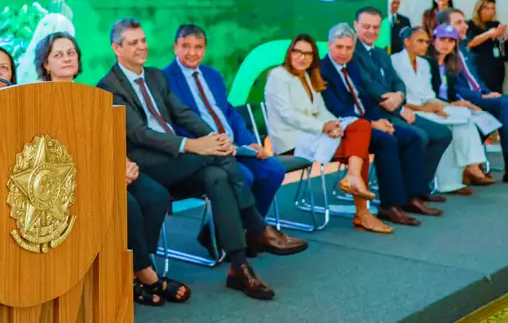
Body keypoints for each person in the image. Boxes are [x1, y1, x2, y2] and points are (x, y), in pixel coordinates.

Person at [96, 18, 305, 301]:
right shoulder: (108, 86)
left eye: (143, 40)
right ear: (116, 48)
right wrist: (195, 145)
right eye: (133, 43)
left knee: (218, 175)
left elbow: (183, 115)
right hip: (147, 163)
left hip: (178, 159)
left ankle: (239, 267)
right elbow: (140, 134)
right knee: (217, 160)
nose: (142, 47)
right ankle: (257, 227)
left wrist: (212, 137)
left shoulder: (156, 76)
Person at [32, 33, 188, 306]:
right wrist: (109, 173)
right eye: (58, 54)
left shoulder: (92, 95)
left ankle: (134, 270)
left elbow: (106, 140)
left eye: (71, 52)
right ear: (45, 64)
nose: (67, 58)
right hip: (70, 178)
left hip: (107, 167)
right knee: (126, 205)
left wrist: (122, 163)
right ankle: (146, 276)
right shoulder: (39, 100)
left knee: (155, 196)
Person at [163, 25, 297, 237]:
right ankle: (222, 235)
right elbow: (174, 124)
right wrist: (213, 145)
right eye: (185, 46)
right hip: (205, 152)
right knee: (244, 177)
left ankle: (250, 232)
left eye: (198, 47)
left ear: (205, 49)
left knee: (273, 170)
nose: (192, 53)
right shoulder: (164, 79)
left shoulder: (212, 75)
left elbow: (228, 112)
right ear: (175, 48)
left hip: (236, 147)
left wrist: (249, 142)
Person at [264, 35, 389, 234]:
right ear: (290, 53)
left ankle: (353, 177)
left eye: (308, 53)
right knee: (359, 150)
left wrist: (334, 124)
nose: (302, 57)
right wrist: (324, 126)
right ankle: (362, 211)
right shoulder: (278, 76)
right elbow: (288, 115)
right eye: (297, 52)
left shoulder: (307, 76)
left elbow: (321, 110)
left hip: (314, 133)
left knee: (361, 126)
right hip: (293, 140)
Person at [320, 24, 438, 226]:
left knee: (411, 137)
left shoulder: (352, 66)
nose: (344, 52)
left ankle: (412, 196)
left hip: (367, 121)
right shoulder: (322, 71)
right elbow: (337, 109)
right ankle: (390, 206)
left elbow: (365, 99)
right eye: (339, 47)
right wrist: (373, 124)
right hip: (345, 127)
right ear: (329, 45)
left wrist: (380, 120)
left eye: (349, 48)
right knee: (387, 141)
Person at [352, 7, 451, 204]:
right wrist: (398, 107)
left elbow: (397, 81)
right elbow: (368, 85)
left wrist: (399, 96)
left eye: (375, 27)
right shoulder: (351, 52)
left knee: (443, 134)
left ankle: (419, 186)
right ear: (356, 26)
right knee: (419, 137)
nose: (371, 31)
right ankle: (411, 195)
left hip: (395, 108)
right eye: (366, 26)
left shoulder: (380, 53)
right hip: (377, 114)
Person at [436, 9, 508, 185]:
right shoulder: (444, 54)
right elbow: (453, 89)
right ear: (446, 27)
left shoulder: (464, 51)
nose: (465, 25)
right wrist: (483, 96)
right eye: (459, 22)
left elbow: (477, 80)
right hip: (467, 99)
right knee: (504, 104)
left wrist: (488, 92)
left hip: (482, 94)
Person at [392, 26, 489, 193]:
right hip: (410, 110)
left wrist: (442, 106)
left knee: (465, 115)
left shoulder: (424, 63)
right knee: (449, 128)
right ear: (407, 42)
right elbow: (397, 97)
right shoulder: (394, 61)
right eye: (420, 41)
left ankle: (464, 170)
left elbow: (429, 95)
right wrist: (426, 108)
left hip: (428, 107)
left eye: (426, 41)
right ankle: (465, 170)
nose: (425, 45)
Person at [466, 0, 508, 93]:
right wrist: (489, 34)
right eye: (487, 8)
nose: (490, 11)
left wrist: (502, 38)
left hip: (496, 67)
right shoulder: (471, 24)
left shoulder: (496, 24)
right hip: (480, 66)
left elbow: (503, 50)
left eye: (492, 8)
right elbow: (469, 43)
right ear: (479, 9)